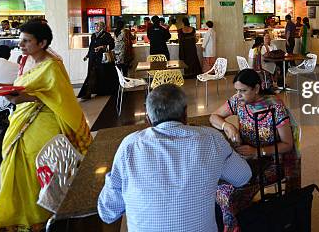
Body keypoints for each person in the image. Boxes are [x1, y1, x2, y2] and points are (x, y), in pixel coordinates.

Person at [98, 84, 251, 232]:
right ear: (185, 114)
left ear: (148, 120)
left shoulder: (129, 146)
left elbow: (108, 212)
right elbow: (243, 176)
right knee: (218, 210)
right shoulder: (211, 138)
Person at [0, 21, 92, 231]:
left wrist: (25, 98)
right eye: (21, 40)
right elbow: (19, 87)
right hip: (22, 117)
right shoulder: (26, 60)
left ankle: (38, 216)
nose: (21, 45)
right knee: (14, 165)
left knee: (33, 165)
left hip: (43, 121)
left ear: (42, 42)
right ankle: (17, 214)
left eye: (27, 41)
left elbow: (59, 98)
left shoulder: (52, 65)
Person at [210, 69, 295, 231]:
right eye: (237, 91)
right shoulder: (238, 102)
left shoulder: (274, 107)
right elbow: (214, 117)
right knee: (214, 180)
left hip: (270, 161)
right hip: (245, 159)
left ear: (256, 88)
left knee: (227, 192)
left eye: (243, 91)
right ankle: (238, 219)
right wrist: (227, 126)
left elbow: (287, 144)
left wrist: (257, 151)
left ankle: (235, 224)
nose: (238, 95)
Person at [79, 21, 118, 100]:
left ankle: (98, 92)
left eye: (98, 26)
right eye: (95, 26)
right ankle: (88, 93)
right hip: (93, 59)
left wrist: (102, 47)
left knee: (100, 75)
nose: (96, 28)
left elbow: (112, 45)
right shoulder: (93, 35)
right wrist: (87, 55)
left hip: (102, 59)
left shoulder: (106, 35)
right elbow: (91, 47)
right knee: (91, 75)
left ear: (102, 27)